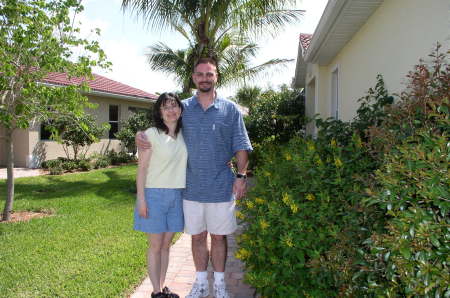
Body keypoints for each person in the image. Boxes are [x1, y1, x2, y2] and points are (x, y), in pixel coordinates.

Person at [136, 58, 252, 298]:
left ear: (216, 76)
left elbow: (241, 145)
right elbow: (162, 126)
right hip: (190, 189)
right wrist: (139, 136)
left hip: (221, 186)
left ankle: (219, 285)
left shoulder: (230, 109)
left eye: (209, 74)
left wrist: (241, 176)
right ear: (193, 77)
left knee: (219, 237)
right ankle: (200, 283)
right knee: (197, 236)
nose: (204, 78)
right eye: (200, 74)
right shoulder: (183, 108)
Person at [134, 92, 187, 298]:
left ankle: (163, 287)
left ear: (180, 110)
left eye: (174, 106)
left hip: (177, 195)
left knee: (166, 245)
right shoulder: (151, 134)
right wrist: (141, 199)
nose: (171, 110)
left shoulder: (183, 134)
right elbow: (141, 170)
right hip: (154, 195)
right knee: (155, 246)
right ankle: (155, 292)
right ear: (159, 112)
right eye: (166, 107)